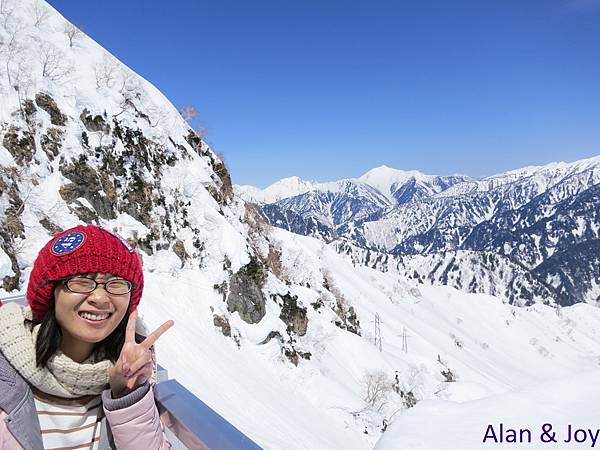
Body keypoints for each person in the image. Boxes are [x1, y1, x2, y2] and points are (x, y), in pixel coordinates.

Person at [0, 224, 174, 449]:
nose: (100, 297)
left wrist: (126, 396)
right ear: (50, 291)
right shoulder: (6, 372)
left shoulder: (127, 373)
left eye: (117, 283)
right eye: (82, 280)